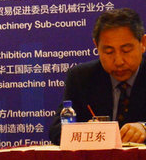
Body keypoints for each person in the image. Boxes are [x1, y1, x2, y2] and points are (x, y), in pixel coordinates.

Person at [49, 8, 146, 145]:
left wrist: (144, 127)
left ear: (143, 43)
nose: (118, 61)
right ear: (96, 46)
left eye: (126, 50)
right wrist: (85, 131)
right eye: (109, 52)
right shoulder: (81, 77)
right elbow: (57, 131)